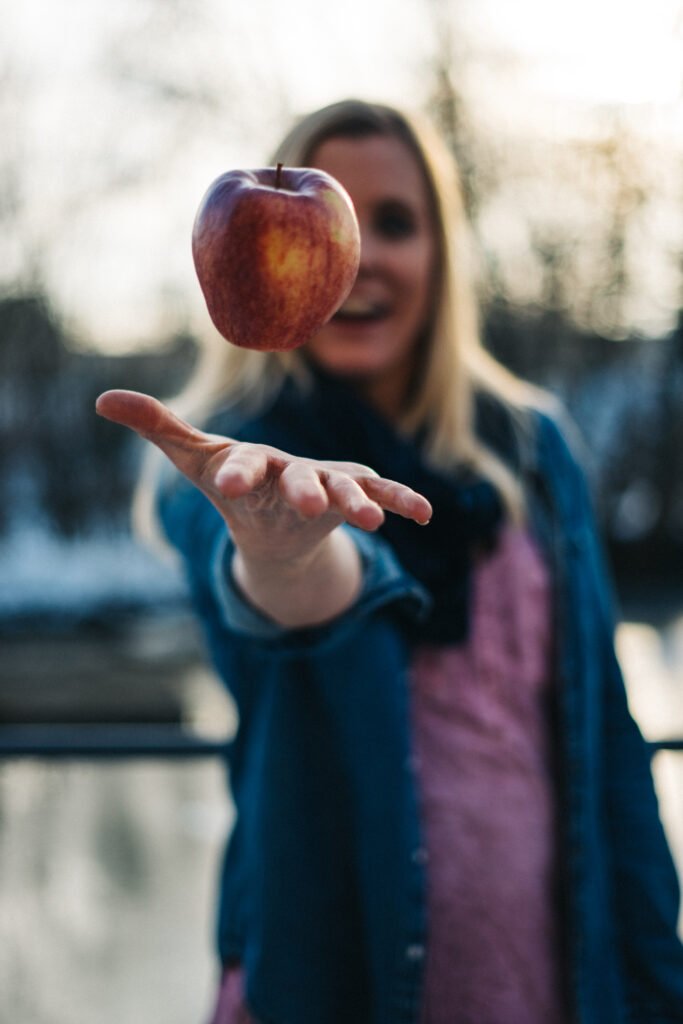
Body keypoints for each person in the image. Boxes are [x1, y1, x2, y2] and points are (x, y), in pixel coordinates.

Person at [96, 99, 683, 1024]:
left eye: (395, 224)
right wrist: (284, 549)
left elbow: (608, 742)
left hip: (550, 976)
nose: (360, 255)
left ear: (442, 255)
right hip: (330, 975)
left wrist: (659, 985)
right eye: (345, 221)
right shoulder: (232, 468)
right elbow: (297, 594)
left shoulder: (533, 450)